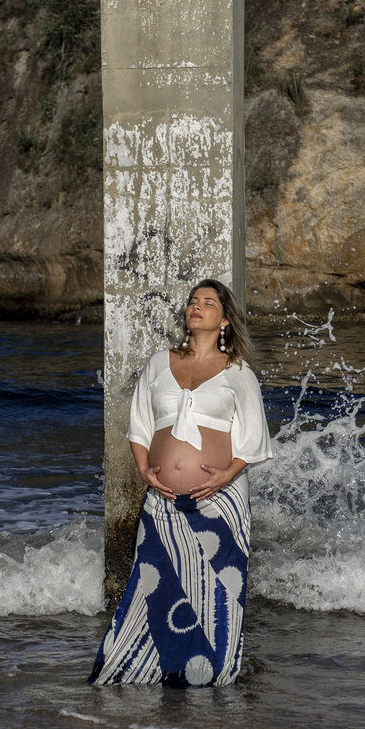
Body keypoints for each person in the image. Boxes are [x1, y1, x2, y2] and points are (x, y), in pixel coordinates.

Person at [89, 279, 273, 687]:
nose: (197, 306)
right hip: (161, 504)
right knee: (149, 592)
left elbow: (256, 438)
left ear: (224, 320)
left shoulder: (237, 372)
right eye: (193, 301)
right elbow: (139, 423)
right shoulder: (160, 362)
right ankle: (137, 672)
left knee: (216, 597)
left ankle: (213, 677)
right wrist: (144, 468)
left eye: (208, 302)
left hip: (219, 504)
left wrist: (226, 475)